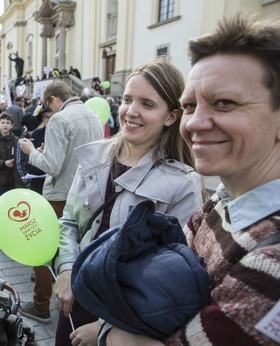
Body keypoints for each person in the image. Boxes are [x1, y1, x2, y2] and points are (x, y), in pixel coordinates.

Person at [104, 12, 280, 346]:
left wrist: (110, 334)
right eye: (189, 106)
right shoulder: (220, 202)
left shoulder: (272, 265)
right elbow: (149, 288)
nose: (195, 123)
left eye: (224, 103)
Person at [52, 58, 204, 345]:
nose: (130, 112)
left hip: (125, 320)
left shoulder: (182, 184)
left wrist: (104, 327)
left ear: (171, 116)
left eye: (147, 104)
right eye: (127, 100)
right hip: (74, 299)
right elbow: (70, 222)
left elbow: (168, 278)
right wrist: (67, 268)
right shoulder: (92, 158)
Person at [18, 80, 104, 324]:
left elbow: (52, 166)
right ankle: (76, 300)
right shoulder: (93, 115)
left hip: (60, 195)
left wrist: (31, 152)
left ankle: (41, 305)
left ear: (54, 99)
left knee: (42, 248)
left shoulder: (60, 118)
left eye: (49, 105)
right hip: (88, 194)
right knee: (76, 249)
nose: (51, 111)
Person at [0, 113, 22, 198]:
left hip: (15, 179)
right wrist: (3, 163)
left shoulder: (16, 140)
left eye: (8, 123)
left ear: (11, 125)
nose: (5, 125)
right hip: (1, 180)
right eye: (3, 123)